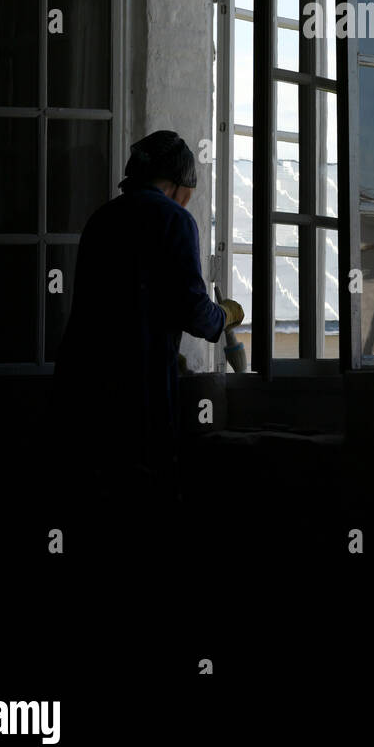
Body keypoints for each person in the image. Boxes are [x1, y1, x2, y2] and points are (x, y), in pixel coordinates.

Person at [50, 130, 244, 513]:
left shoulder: (102, 218)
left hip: (79, 385)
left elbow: (127, 299)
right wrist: (226, 315)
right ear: (178, 185)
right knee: (144, 505)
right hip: (138, 393)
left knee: (89, 503)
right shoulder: (175, 219)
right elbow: (196, 313)